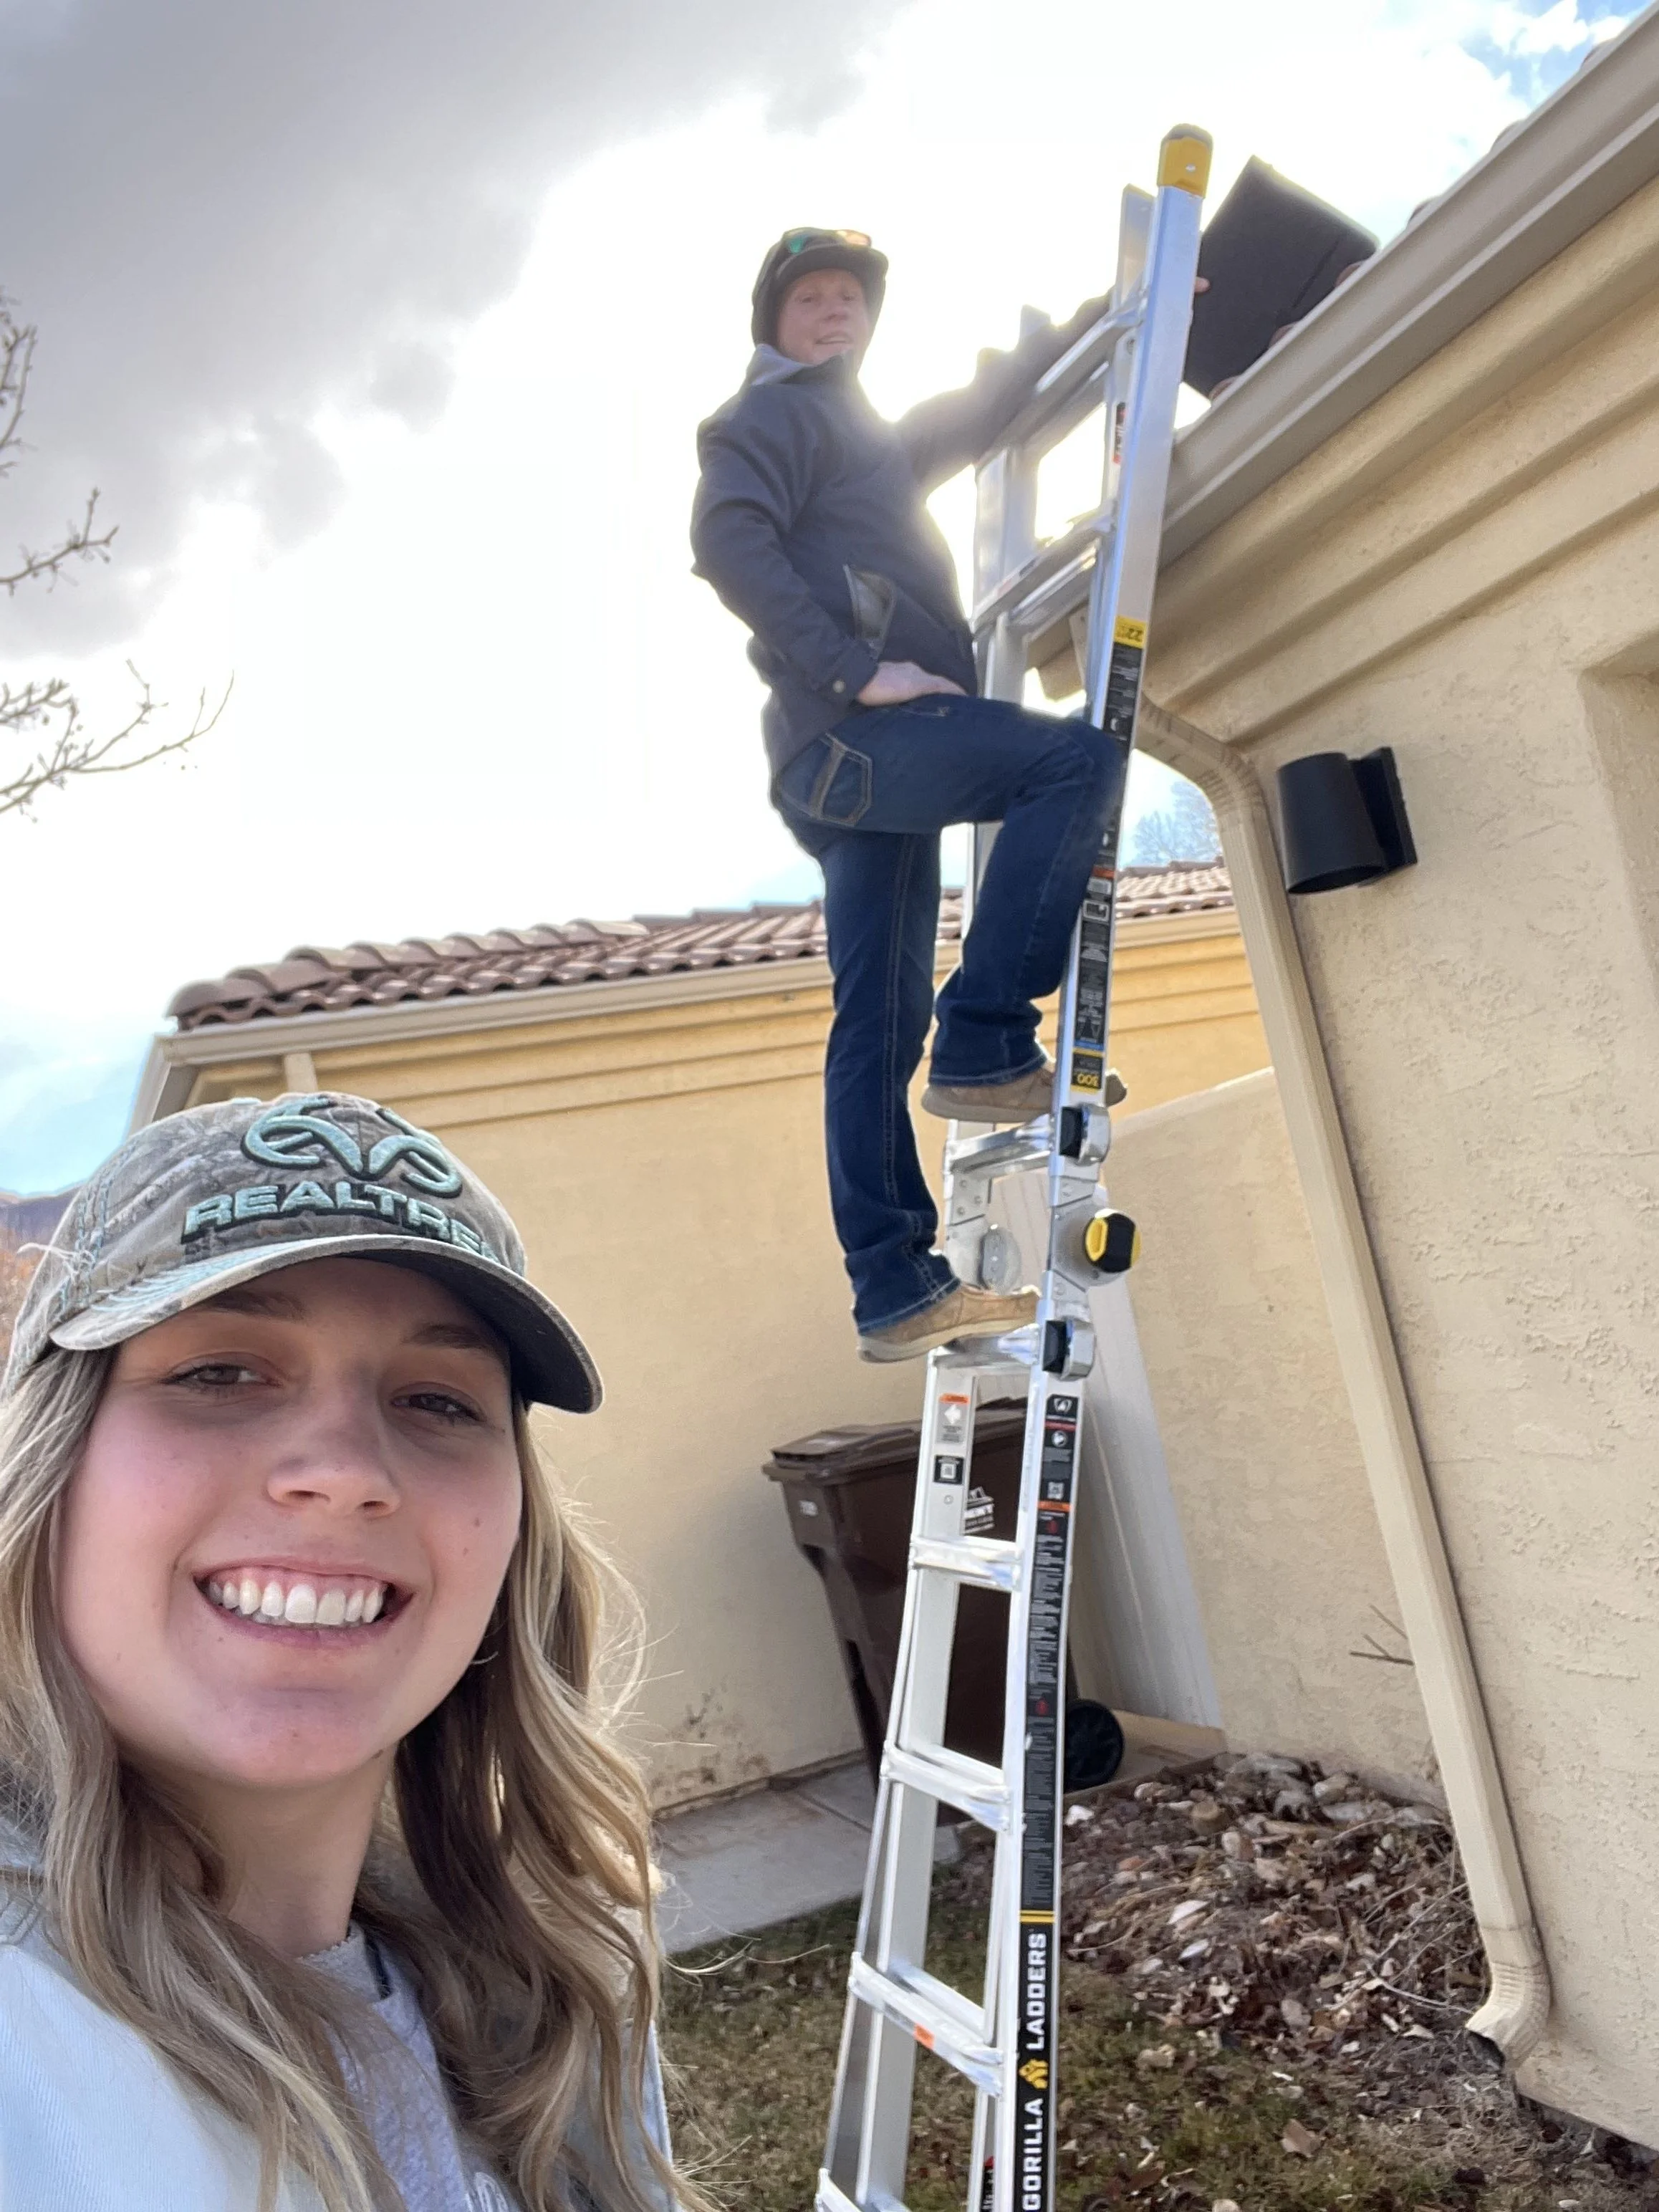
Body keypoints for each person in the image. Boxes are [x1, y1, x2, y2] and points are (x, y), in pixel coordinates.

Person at [0, 1090, 689, 2212]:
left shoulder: (561, 2005)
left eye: (437, 1399)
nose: (348, 1469)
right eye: (220, 1371)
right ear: (49, 1472)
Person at [691, 229, 1124, 1364]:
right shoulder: (771, 416)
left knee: (877, 1021)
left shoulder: (860, 437)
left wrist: (1105, 313)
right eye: (811, 297)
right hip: (855, 734)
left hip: (845, 767)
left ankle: (893, 1284)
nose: (834, 312)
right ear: (774, 321)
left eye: (850, 299)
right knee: (1069, 762)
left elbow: (969, 416)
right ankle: (985, 1039)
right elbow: (726, 538)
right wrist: (851, 667)